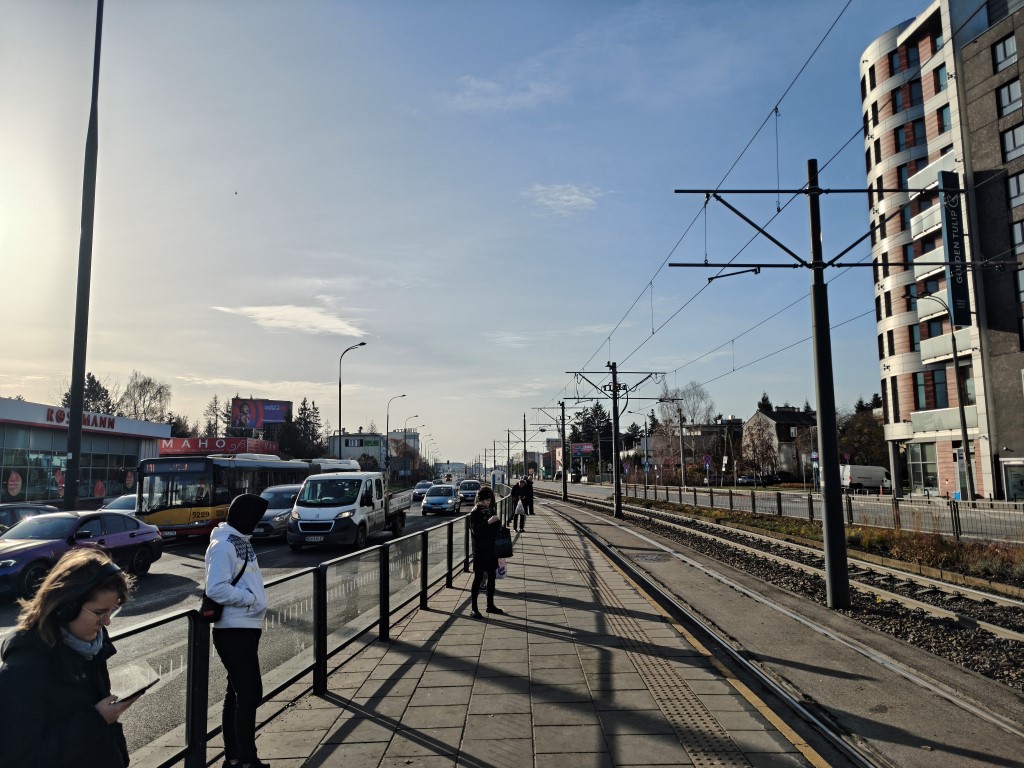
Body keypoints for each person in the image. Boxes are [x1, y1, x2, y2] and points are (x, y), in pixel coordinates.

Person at [0, 549, 136, 768]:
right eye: (100, 612)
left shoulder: (90, 643)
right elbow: (17, 757)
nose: (107, 622)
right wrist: (97, 720)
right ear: (65, 608)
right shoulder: (25, 667)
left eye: (112, 610)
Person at [204, 493, 270, 768]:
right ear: (244, 517)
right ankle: (246, 759)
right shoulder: (224, 546)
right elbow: (215, 588)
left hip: (245, 626)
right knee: (250, 693)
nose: (257, 522)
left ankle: (234, 758)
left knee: (237, 694)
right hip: (234, 629)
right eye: (255, 517)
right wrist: (251, 600)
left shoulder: (240, 541)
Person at [469, 486, 503, 618]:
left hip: (491, 549)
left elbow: (495, 528)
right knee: (478, 578)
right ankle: (474, 608)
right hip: (480, 550)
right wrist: (488, 522)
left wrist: (496, 522)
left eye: (489, 500)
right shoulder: (475, 513)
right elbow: (476, 531)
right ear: (481, 500)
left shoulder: (490, 510)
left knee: (492, 577)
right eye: (486, 500)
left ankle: (490, 605)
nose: (488, 502)